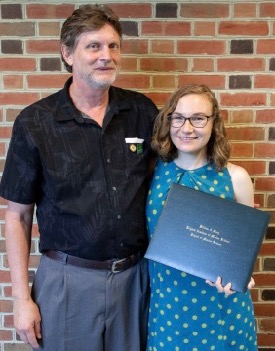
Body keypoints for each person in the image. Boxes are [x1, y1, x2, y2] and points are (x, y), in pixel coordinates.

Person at [0, 4, 158, 351]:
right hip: (67, 282)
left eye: (113, 46)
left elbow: (169, 185)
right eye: (94, 46)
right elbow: (17, 216)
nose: (106, 56)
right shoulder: (35, 122)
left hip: (134, 280)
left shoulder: (142, 112)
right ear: (68, 54)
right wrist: (21, 298)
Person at [145, 84, 258, 351]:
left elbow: (244, 246)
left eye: (198, 118)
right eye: (179, 117)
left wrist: (243, 277)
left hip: (221, 304)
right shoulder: (152, 172)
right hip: (168, 306)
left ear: (213, 123)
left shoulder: (235, 178)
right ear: (168, 121)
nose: (187, 128)